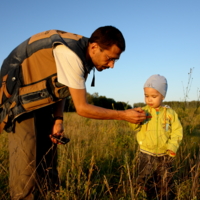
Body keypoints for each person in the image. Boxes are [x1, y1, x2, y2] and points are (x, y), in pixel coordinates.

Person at [0, 26, 147, 199]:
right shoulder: (71, 54)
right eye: (109, 58)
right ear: (94, 47)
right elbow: (82, 108)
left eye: (115, 60)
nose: (112, 65)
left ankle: (51, 195)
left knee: (48, 164)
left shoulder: (82, 54)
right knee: (26, 168)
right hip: (19, 100)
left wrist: (58, 119)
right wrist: (123, 115)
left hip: (40, 100)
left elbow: (62, 87)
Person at [129, 74, 183, 200]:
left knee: (165, 177)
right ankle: (143, 194)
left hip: (165, 153)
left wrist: (172, 147)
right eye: (146, 96)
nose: (149, 100)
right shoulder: (143, 112)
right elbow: (135, 128)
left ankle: (164, 195)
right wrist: (133, 118)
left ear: (163, 96)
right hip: (146, 152)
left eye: (154, 96)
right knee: (143, 176)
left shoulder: (170, 114)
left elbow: (177, 132)